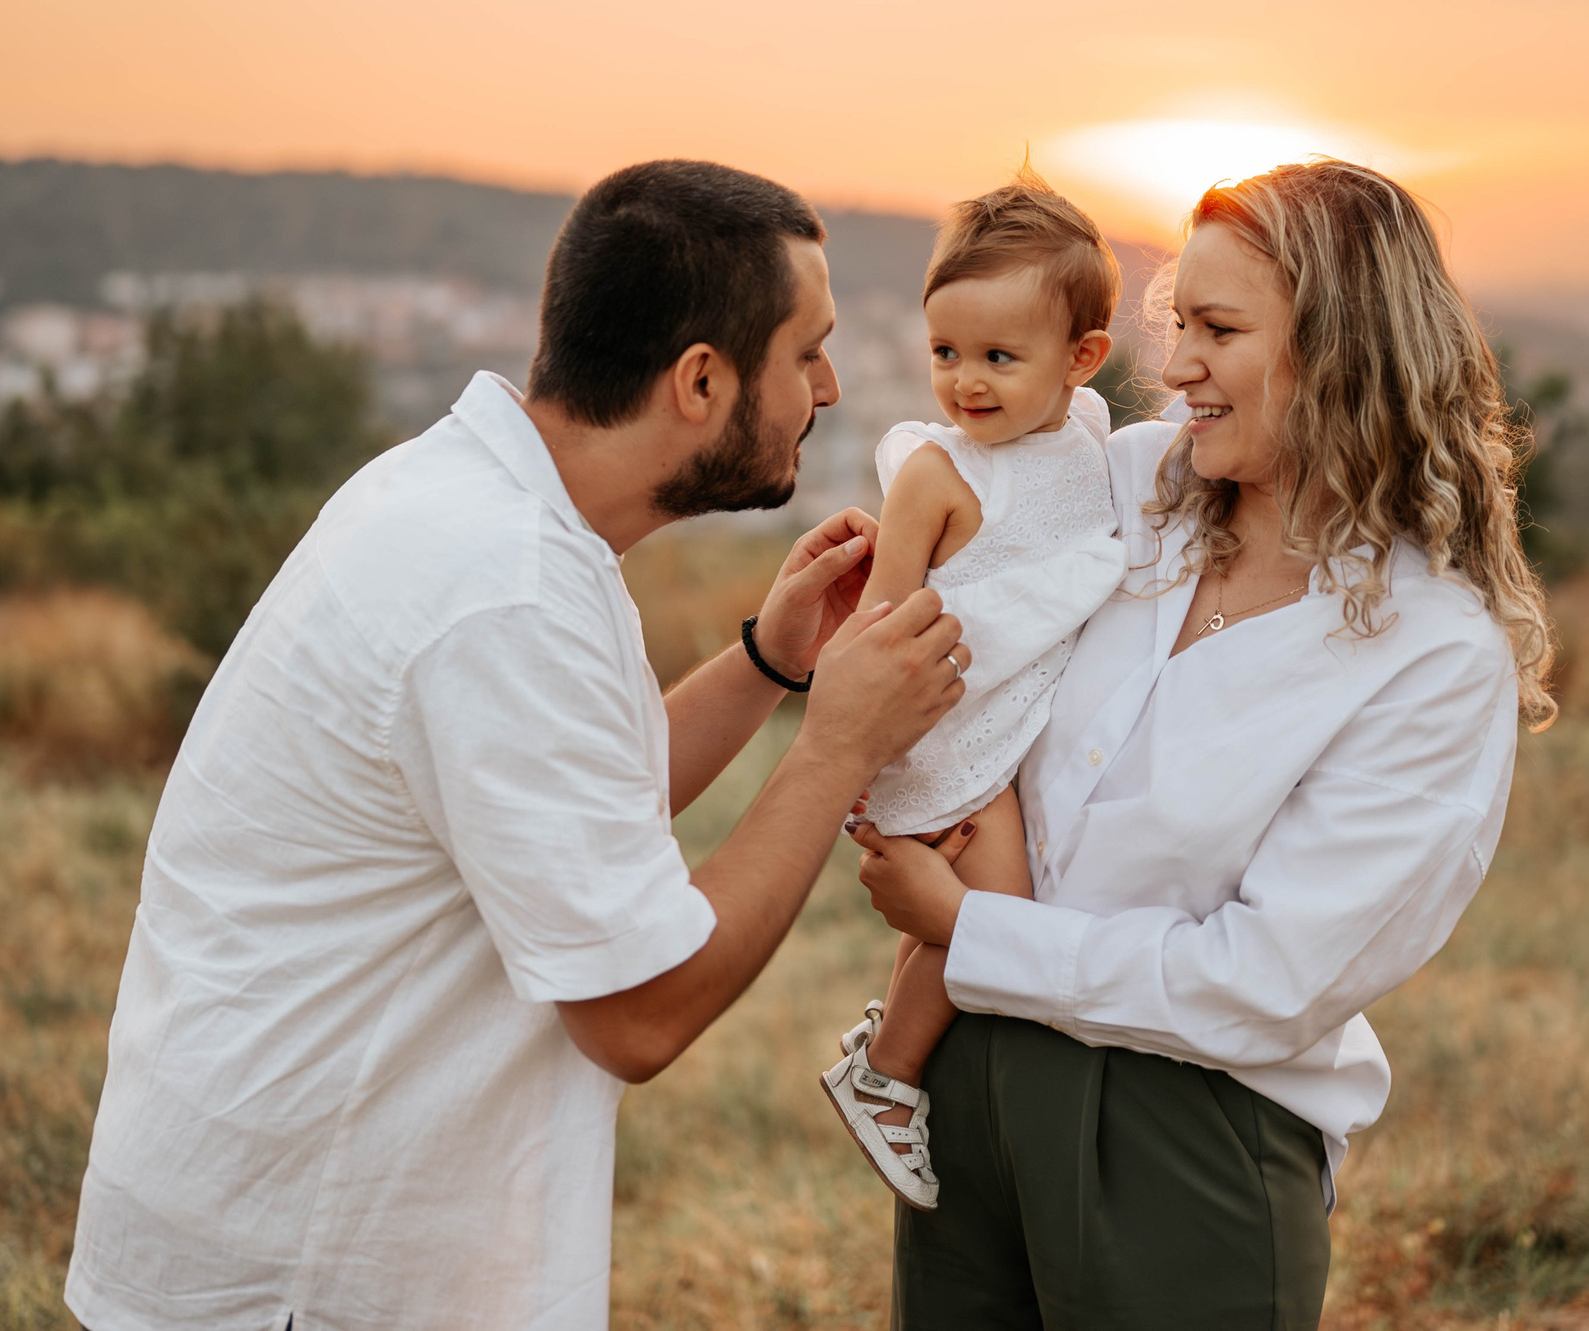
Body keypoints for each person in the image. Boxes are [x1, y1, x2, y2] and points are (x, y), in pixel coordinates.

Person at [65, 160, 970, 1331]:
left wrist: (771, 662)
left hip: (270, 1238)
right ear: (701, 378)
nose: (830, 386)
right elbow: (638, 1012)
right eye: (806, 352)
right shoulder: (509, 592)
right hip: (308, 1278)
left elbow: (573, 811)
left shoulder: (477, 505)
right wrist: (836, 743)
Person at [853, 158, 1558, 1331]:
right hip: (969, 1080)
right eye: (1179, 324)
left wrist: (969, 928)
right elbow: (946, 544)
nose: (1172, 368)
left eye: (1218, 330)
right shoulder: (1118, 490)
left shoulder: (1432, 653)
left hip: (1186, 1130)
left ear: (1343, 350)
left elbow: (1262, 984)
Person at [817, 174, 1128, 1210]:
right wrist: (859, 755)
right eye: (946, 353)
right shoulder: (937, 475)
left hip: (1017, 722)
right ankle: (887, 1078)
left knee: (957, 918)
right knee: (990, 911)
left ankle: (884, 1047)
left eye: (1001, 357)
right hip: (945, 727)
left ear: (1082, 360)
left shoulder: (1086, 440)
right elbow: (883, 621)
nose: (966, 383)